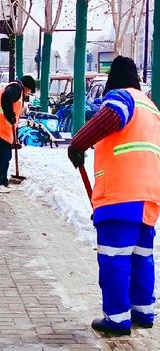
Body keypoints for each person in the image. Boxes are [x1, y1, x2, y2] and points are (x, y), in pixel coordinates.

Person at [67, 56, 160, 336]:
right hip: (149, 196)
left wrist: (78, 143)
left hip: (120, 194)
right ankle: (143, 312)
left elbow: (111, 115)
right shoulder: (150, 106)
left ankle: (117, 318)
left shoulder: (122, 97)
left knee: (114, 258)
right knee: (141, 256)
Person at [0, 76, 36, 191]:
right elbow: (6, 97)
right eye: (28, 91)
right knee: (4, 156)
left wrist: (14, 139)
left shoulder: (14, 87)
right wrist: (10, 115)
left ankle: (2, 181)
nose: (27, 94)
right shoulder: (16, 89)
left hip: (1, 128)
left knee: (5, 156)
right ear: (26, 87)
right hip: (0, 127)